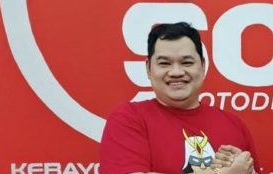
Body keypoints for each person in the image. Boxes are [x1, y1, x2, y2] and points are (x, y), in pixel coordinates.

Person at [100, 22, 259, 174]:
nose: (176, 72)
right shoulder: (129, 118)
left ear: (203, 66)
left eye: (187, 62)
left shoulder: (234, 125)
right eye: (164, 63)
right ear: (148, 69)